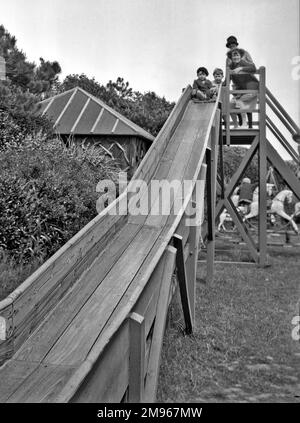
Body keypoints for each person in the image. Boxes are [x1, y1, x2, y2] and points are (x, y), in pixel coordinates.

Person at [225, 36, 254, 128]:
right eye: (230, 46)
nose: (232, 47)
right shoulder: (228, 58)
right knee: (235, 104)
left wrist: (241, 69)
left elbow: (252, 66)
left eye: (233, 45)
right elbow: (228, 72)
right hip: (236, 83)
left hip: (247, 81)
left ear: (236, 45)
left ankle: (249, 125)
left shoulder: (244, 53)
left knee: (245, 103)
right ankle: (240, 124)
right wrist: (225, 83)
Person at [228, 48, 258, 129]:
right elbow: (233, 81)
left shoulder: (242, 62)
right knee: (230, 106)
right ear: (231, 57)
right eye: (233, 56)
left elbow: (253, 68)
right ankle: (236, 125)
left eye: (237, 55)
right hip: (241, 90)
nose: (235, 57)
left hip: (251, 88)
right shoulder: (230, 66)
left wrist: (241, 68)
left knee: (240, 102)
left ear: (240, 56)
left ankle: (244, 124)